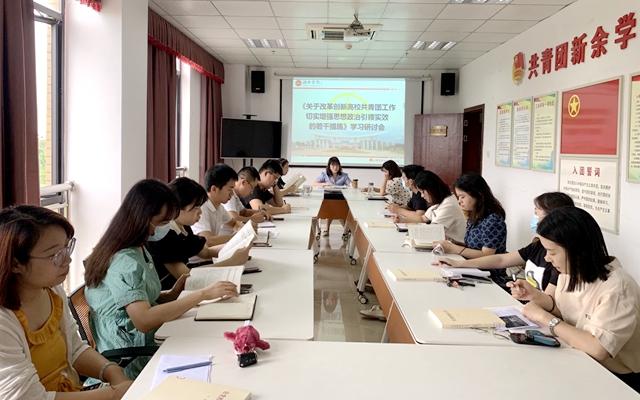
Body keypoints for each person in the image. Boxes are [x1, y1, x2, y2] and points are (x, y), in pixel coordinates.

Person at [84, 179, 238, 379]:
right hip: (132, 354)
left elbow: (141, 298)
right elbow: (143, 320)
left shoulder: (137, 247)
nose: (165, 228)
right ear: (144, 218)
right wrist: (202, 295)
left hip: (151, 336)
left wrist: (172, 294)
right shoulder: (124, 260)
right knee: (219, 354)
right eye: (163, 222)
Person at [0, 205, 132, 400]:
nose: (68, 260)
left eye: (67, 247)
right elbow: (27, 397)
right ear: (15, 263)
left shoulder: (52, 291)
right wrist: (112, 394)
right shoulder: (4, 321)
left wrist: (112, 371)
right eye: (55, 255)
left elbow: (74, 348)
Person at [509, 207, 640, 393]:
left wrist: (545, 318)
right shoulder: (569, 272)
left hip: (616, 378)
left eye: (552, 252)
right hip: (578, 358)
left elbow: (598, 348)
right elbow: (567, 313)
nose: (547, 258)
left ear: (576, 250)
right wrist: (535, 296)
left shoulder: (618, 288)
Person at [435, 192, 574, 293]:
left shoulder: (561, 258)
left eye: (537, 214)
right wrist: (459, 264)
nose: (534, 218)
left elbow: (548, 301)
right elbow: (501, 259)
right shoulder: (537, 245)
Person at [147, 177, 251, 290]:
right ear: (176, 208)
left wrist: (237, 246)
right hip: (171, 292)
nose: (200, 212)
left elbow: (206, 252)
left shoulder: (183, 226)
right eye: (195, 207)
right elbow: (187, 277)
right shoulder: (164, 235)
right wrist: (231, 262)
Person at [433, 173, 507, 284]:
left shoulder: (493, 219)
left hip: (488, 274)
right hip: (470, 267)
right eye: (458, 197)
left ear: (478, 194)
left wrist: (454, 248)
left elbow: (487, 255)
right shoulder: (475, 215)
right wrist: (453, 243)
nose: (459, 201)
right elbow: (473, 246)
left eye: (462, 197)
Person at [411, 170, 466, 243]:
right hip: (447, 244)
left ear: (431, 189)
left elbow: (433, 232)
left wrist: (412, 232)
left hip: (456, 246)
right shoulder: (439, 201)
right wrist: (402, 219)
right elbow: (423, 219)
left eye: (423, 192)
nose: (422, 196)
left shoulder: (449, 204)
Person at [192, 164, 238, 241]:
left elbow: (234, 223)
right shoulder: (201, 208)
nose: (232, 194)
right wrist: (237, 237)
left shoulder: (219, 207)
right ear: (214, 189)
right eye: (230, 190)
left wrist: (244, 231)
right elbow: (207, 240)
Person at [315, 156, 351, 236]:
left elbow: (350, 185)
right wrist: (325, 184)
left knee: (338, 209)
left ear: (339, 166)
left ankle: (338, 230)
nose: (335, 167)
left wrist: (351, 185)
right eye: (333, 165)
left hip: (340, 198)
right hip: (327, 198)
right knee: (331, 207)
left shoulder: (344, 175)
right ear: (329, 166)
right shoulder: (324, 174)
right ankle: (342, 230)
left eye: (337, 165)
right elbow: (314, 183)